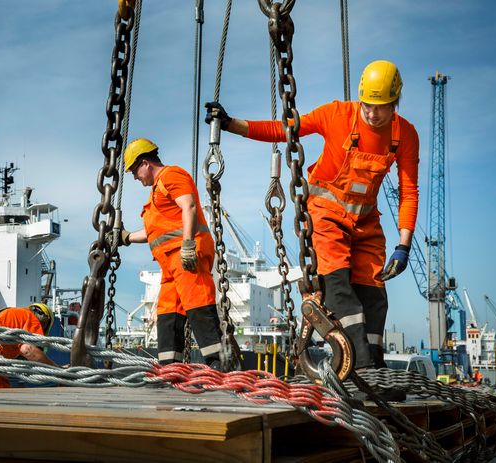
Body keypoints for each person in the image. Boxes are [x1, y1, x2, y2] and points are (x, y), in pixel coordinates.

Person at [205, 60, 419, 371]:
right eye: (368, 105)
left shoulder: (405, 134)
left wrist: (404, 245)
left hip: (366, 223)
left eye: (381, 106)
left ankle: (375, 366)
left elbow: (409, 191)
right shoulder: (336, 114)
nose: (372, 113)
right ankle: (359, 369)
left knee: (374, 296)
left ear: (394, 101)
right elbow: (284, 130)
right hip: (326, 215)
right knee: (339, 290)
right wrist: (231, 124)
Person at [117, 138, 225, 370]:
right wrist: (125, 237)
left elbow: (190, 206)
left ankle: (220, 366)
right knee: (167, 315)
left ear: (145, 163)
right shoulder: (156, 194)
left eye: (135, 171)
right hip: (169, 265)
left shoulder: (171, 175)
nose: (135, 177)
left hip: (186, 255)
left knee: (198, 305)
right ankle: (169, 369)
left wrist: (187, 245)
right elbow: (153, 232)